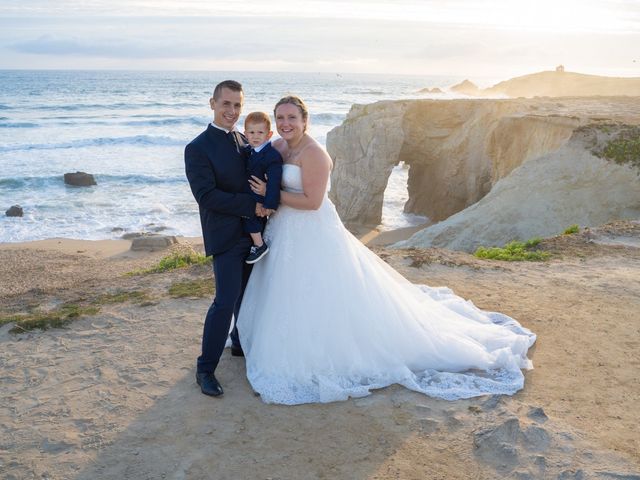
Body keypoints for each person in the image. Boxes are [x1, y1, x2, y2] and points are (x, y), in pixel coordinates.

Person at [238, 96, 536, 405]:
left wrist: (272, 195)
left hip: (311, 230)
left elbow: (313, 203)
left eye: (292, 118)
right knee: (285, 289)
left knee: (319, 290)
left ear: (305, 121)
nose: (286, 123)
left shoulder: (315, 154)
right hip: (284, 230)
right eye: (281, 118)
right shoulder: (277, 147)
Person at [184, 80, 260, 397]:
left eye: (237, 105)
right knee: (225, 301)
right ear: (212, 104)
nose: (232, 111)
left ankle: (240, 343)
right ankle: (205, 369)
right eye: (226, 104)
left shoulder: (244, 139)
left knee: (249, 295)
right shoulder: (197, 148)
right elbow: (207, 196)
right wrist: (251, 205)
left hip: (253, 235)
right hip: (226, 236)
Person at [241, 111, 283, 264]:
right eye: (251, 132)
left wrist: (268, 204)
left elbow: (274, 182)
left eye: (260, 132)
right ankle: (257, 243)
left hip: (259, 195)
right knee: (248, 217)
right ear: (245, 133)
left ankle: (259, 245)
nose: (255, 136)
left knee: (249, 217)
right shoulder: (248, 150)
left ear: (269, 134)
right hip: (249, 192)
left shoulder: (271, 155)